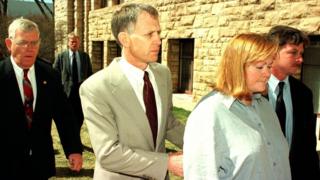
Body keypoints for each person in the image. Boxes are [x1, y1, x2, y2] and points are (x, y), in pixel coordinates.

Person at [79, 3, 185, 179]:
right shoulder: (95, 88)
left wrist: (202, 144)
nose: (158, 40)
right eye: (149, 34)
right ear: (125, 39)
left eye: (158, 33)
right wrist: (166, 162)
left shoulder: (163, 74)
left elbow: (168, 123)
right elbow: (108, 154)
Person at [183, 33, 291, 180]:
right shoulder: (208, 113)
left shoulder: (265, 106)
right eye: (260, 66)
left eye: (270, 66)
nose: (267, 74)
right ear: (237, 67)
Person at [0, 17, 83, 179]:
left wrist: (73, 149)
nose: (30, 49)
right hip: (5, 164)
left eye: (34, 43)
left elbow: (64, 115)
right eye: (23, 42)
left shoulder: (50, 75)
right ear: (9, 44)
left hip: (40, 164)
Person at [266, 25, 320, 180]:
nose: (301, 59)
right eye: (293, 53)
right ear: (273, 52)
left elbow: (309, 147)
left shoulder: (304, 93)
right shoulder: (251, 91)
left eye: (302, 53)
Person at [53, 32, 92, 137]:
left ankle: (76, 137)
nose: (74, 44)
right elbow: (55, 74)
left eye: (76, 42)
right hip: (66, 93)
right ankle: (69, 138)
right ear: (68, 43)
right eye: (72, 42)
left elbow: (89, 74)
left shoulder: (85, 57)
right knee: (67, 117)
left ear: (79, 43)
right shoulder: (61, 57)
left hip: (80, 92)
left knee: (79, 117)